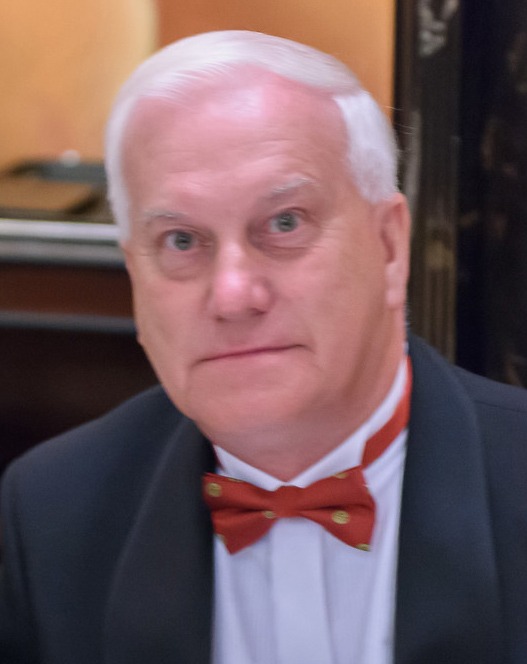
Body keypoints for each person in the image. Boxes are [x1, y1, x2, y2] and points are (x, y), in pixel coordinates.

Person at [1, 30, 526, 664]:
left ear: (390, 247)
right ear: (135, 276)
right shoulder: (49, 514)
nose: (232, 295)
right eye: (181, 241)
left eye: (284, 223)